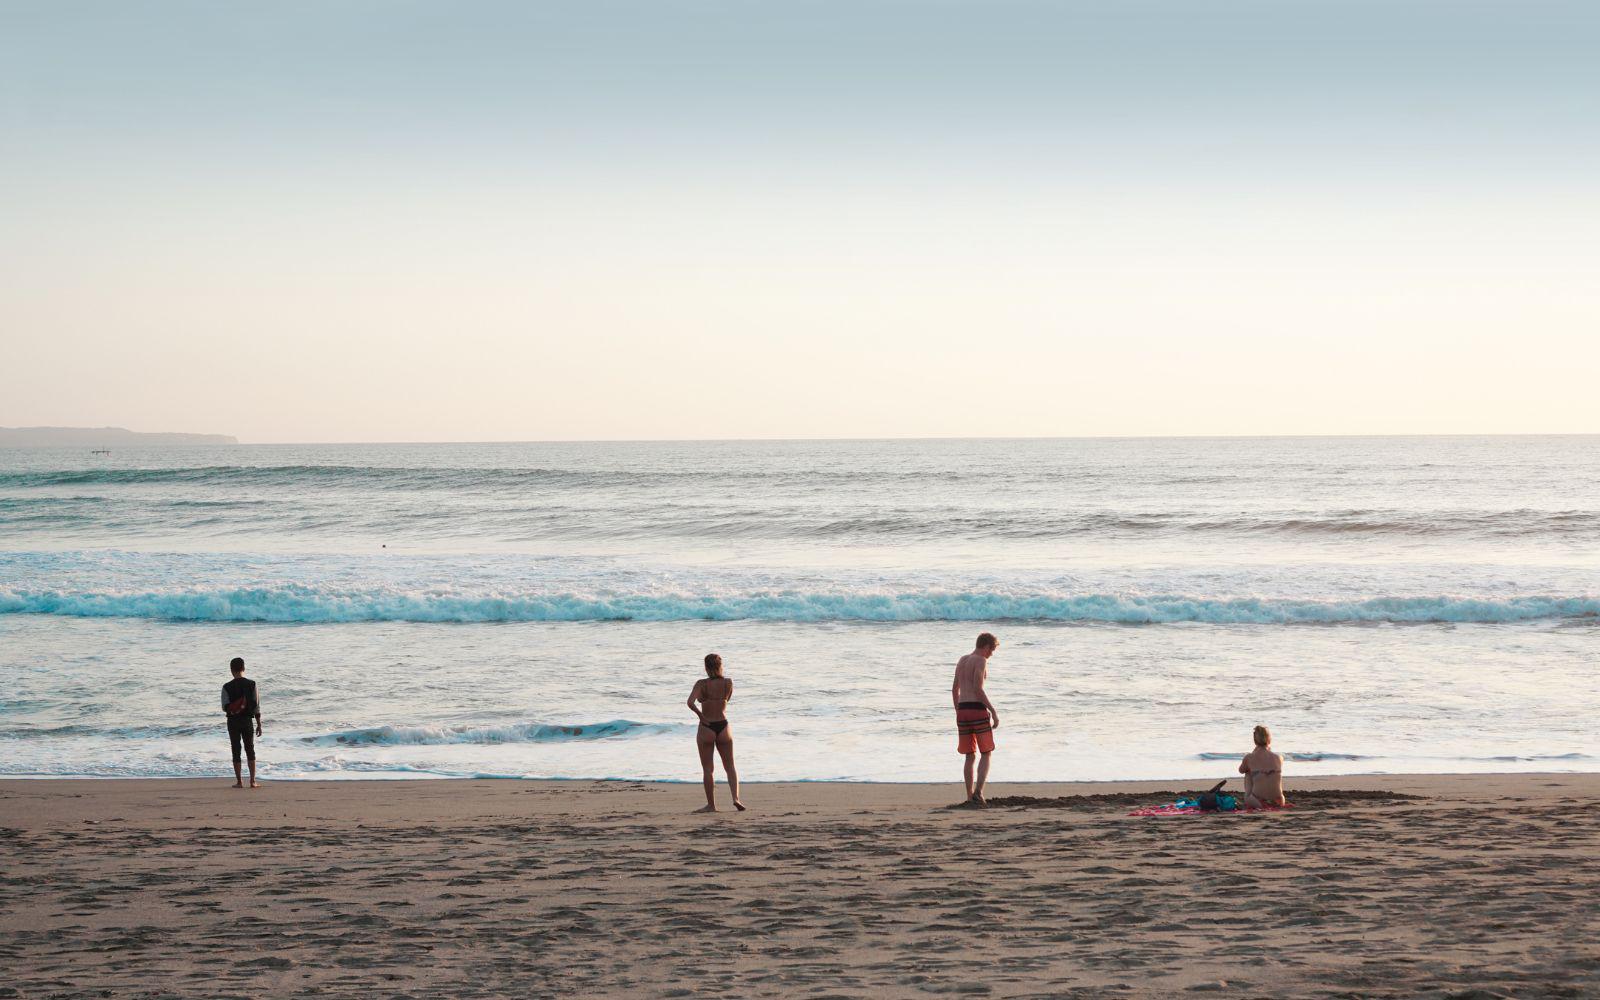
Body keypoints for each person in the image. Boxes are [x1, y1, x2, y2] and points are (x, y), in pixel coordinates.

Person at [686, 653, 745, 813]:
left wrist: (701, 716)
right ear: (720, 666)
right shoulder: (728, 683)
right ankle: (736, 799)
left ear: (706, 667)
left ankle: (711, 805)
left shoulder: (701, 684)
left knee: (708, 769)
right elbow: (727, 699)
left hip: (707, 727)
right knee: (730, 766)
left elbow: (690, 702)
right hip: (723, 726)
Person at [952, 632, 1000, 807]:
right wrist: (992, 710)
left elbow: (954, 689)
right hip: (976, 709)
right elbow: (977, 689)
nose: (991, 654)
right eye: (992, 650)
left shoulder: (962, 660)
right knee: (986, 752)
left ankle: (969, 795)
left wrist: (958, 710)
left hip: (963, 711)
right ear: (986, 646)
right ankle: (979, 793)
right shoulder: (980, 660)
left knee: (969, 755)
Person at [221, 656, 262, 789]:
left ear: (231, 670)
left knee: (235, 749)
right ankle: (252, 781)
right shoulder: (252, 684)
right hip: (246, 720)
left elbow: (224, 706)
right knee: (250, 749)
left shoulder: (226, 687)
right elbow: (256, 705)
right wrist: (259, 723)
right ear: (244, 668)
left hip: (232, 721)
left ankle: (239, 782)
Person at [1238, 725, 1285, 808]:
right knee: (1273, 774)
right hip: (1279, 801)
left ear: (1255, 740)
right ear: (1269, 739)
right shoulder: (1279, 757)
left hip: (1258, 801)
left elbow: (1241, 770)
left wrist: (1253, 753)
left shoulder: (1249, 757)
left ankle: (1249, 795)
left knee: (1248, 772)